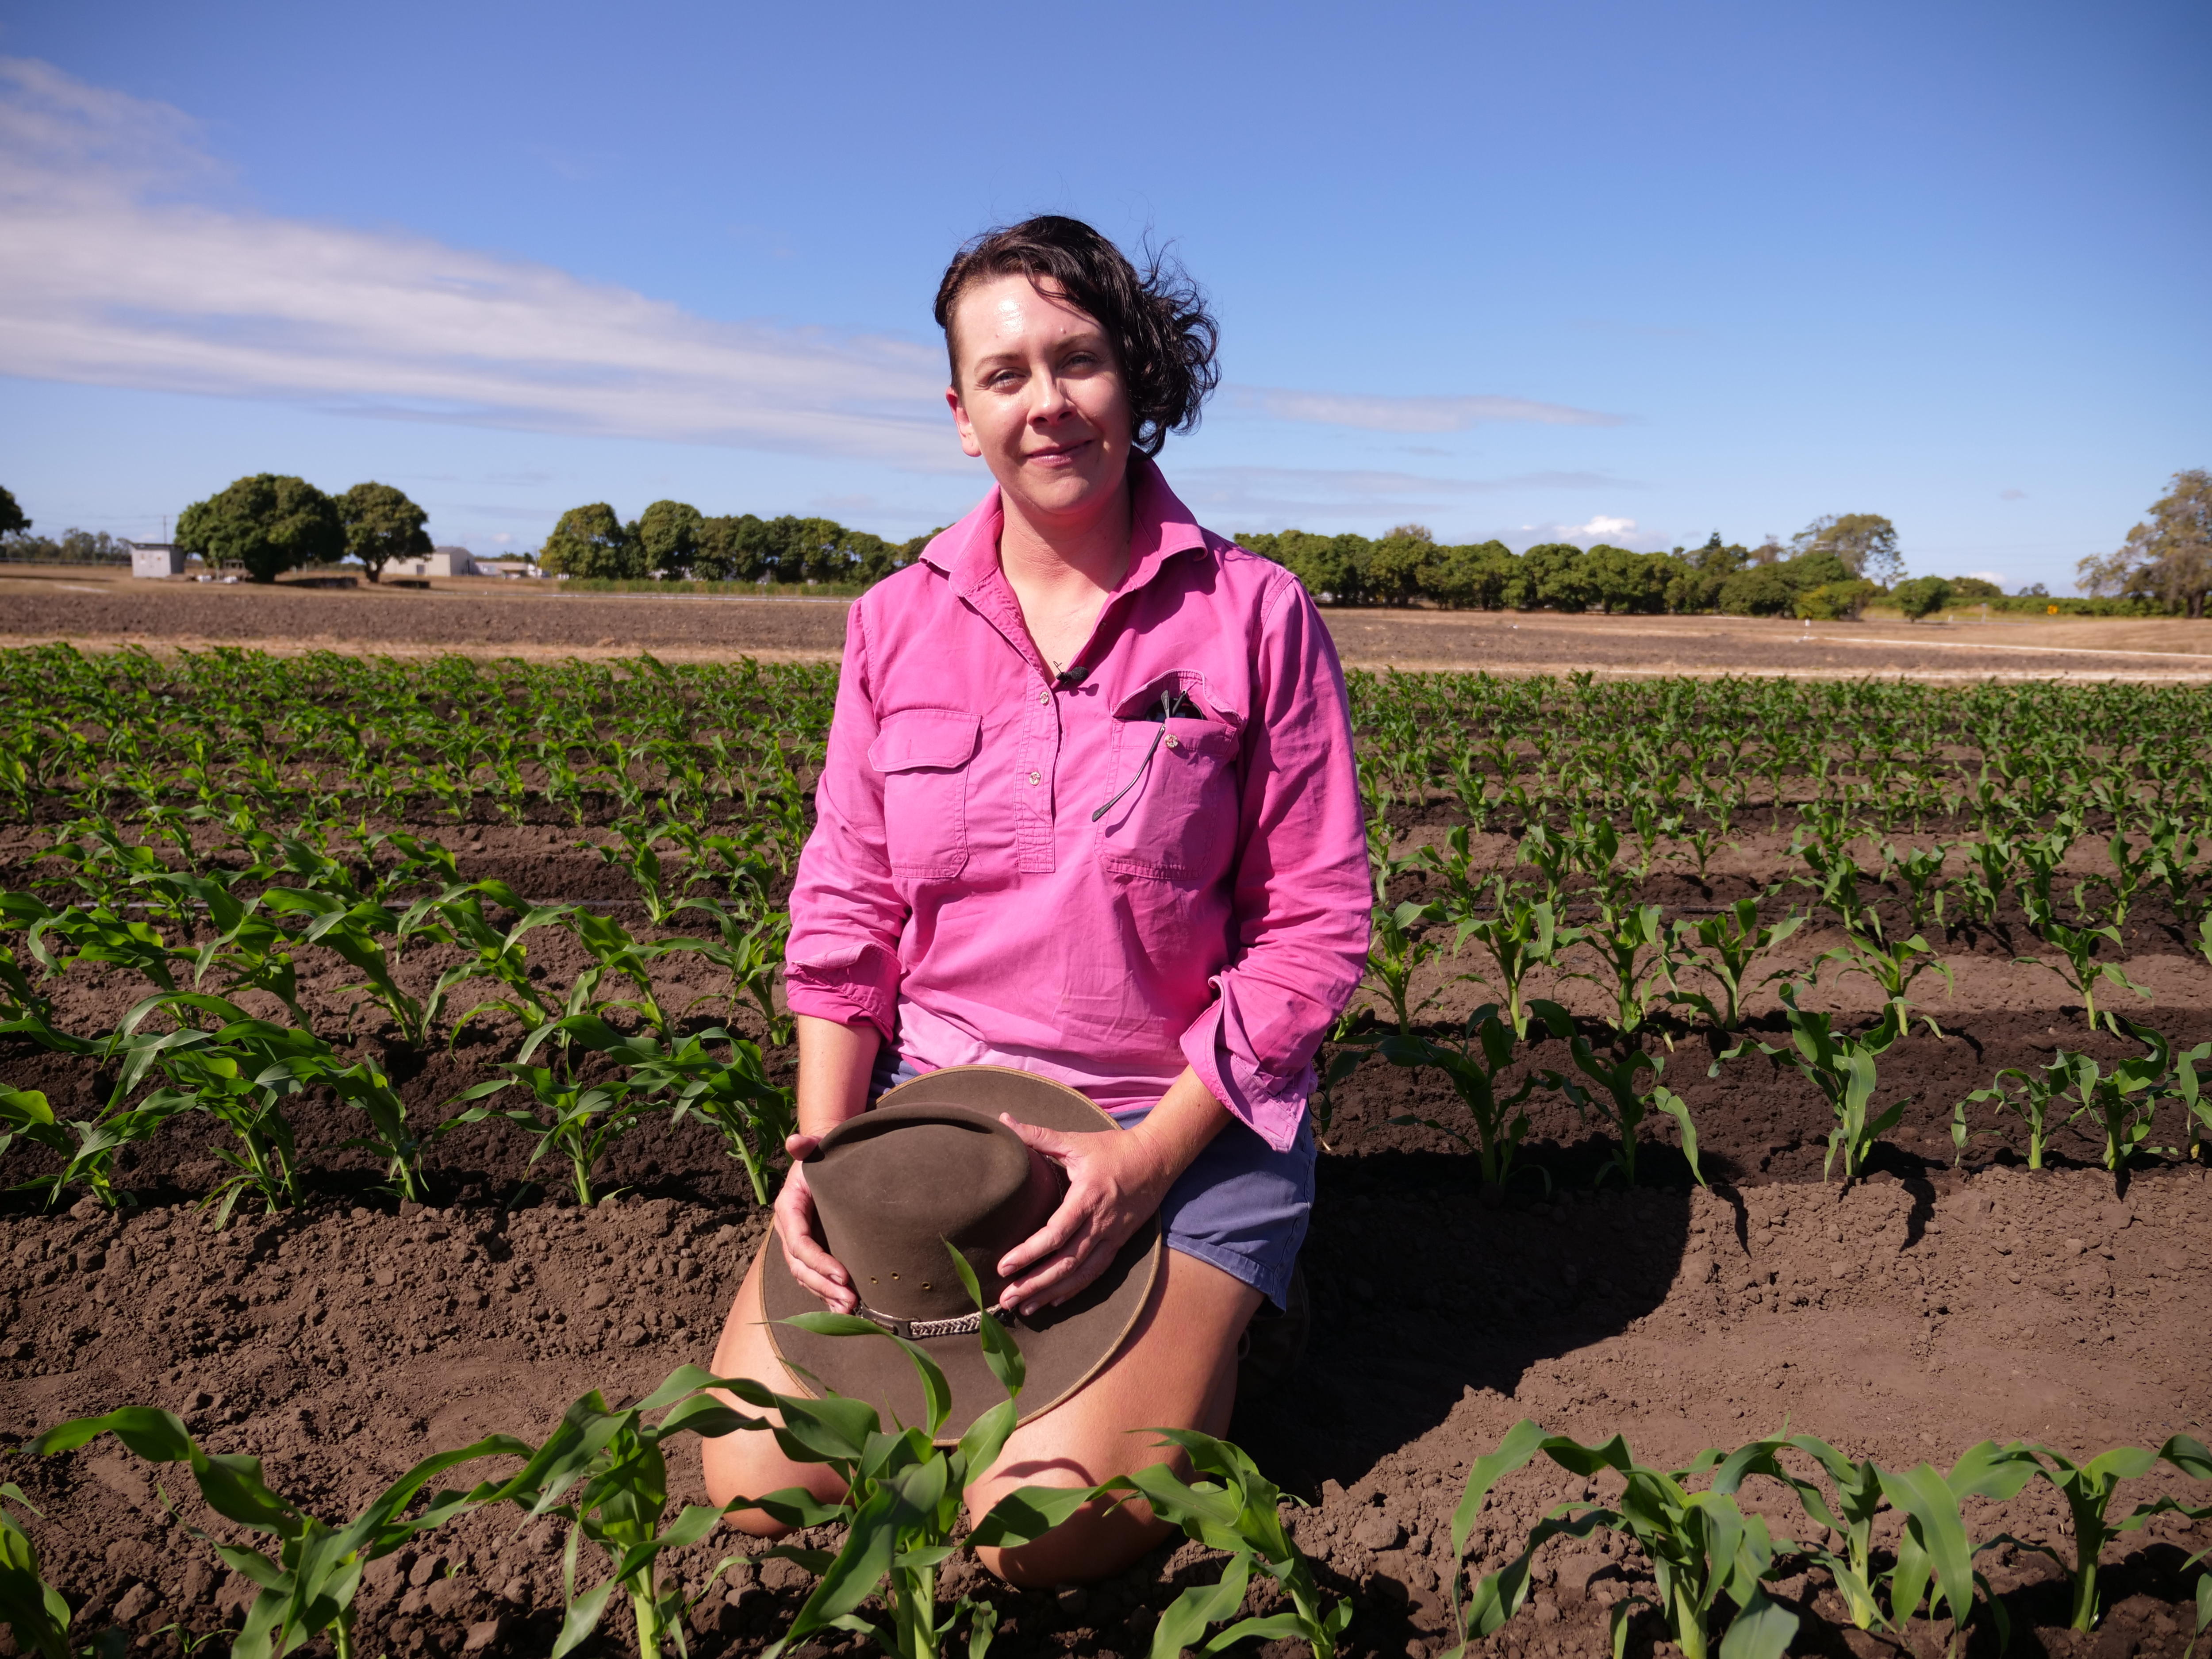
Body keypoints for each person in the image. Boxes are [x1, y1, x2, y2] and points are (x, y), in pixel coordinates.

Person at [702, 215, 1370, 1585]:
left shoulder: (1254, 613)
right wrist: (826, 1160)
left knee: (1037, 1536)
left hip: (1177, 1124)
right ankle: (1048, 1390)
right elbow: (846, 913)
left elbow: (1313, 931)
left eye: (1079, 361)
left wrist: (1143, 1164)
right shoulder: (895, 619)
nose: (1047, 401)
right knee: (761, 1483)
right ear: (962, 416)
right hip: (945, 1120)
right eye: (1005, 374)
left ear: (1137, 381)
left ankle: (1216, 1318)